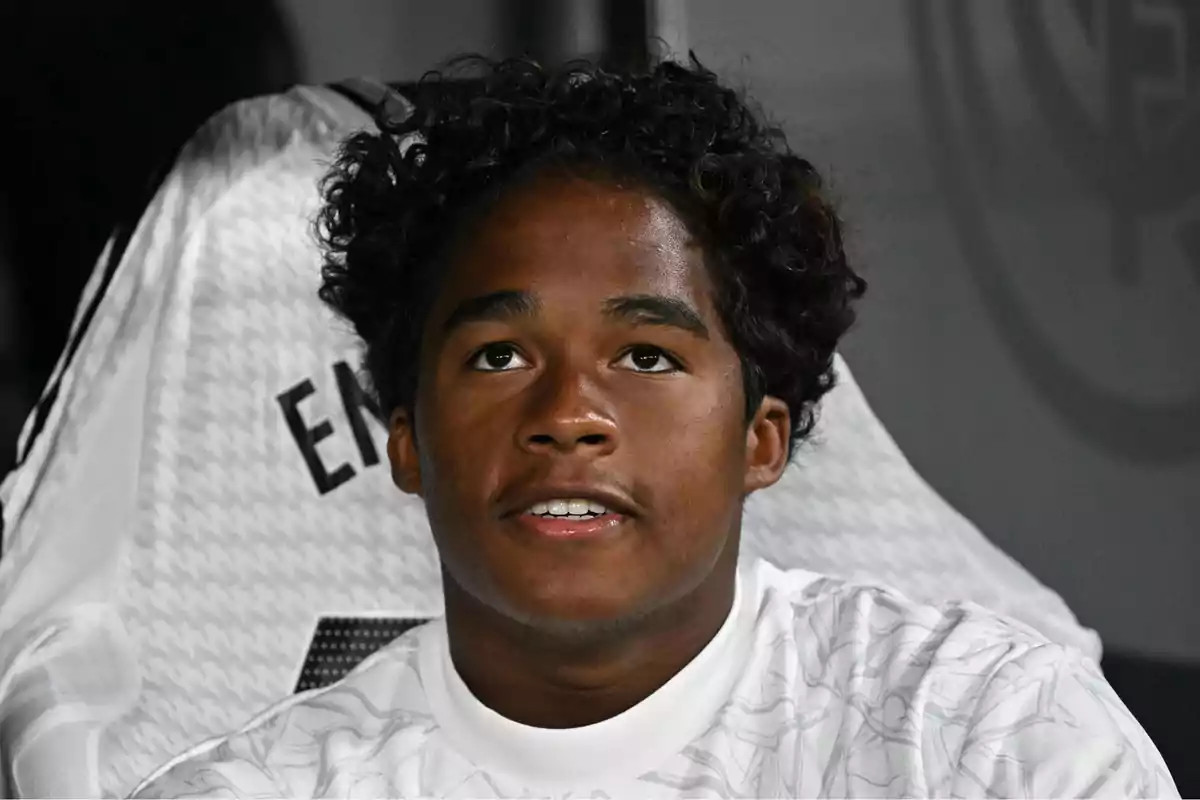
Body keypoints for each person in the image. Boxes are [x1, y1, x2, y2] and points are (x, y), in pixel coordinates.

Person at [131, 56, 1177, 798]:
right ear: (406, 439)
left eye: (647, 356)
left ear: (761, 439)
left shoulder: (990, 737)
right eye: (498, 355)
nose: (569, 413)